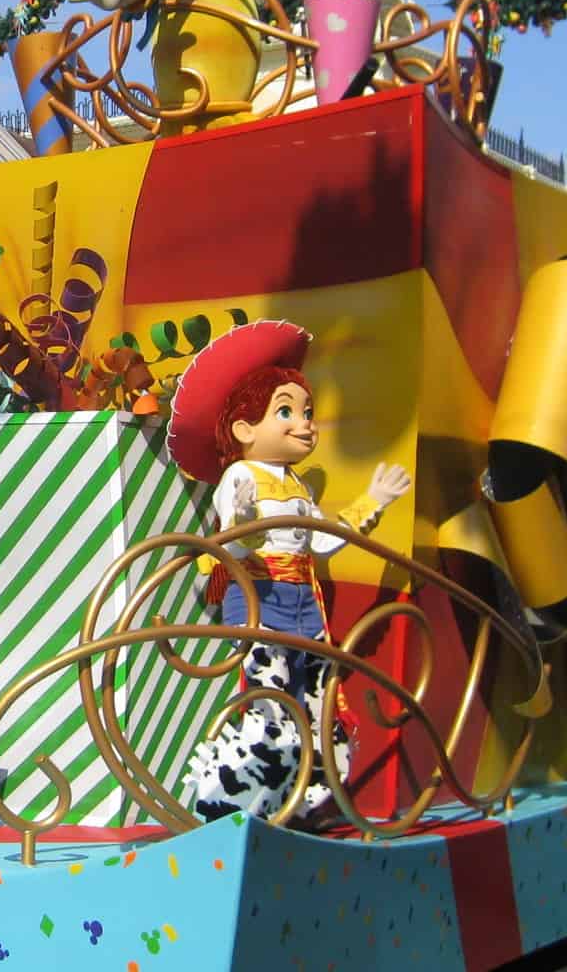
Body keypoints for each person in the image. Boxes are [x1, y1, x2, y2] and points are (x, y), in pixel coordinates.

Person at [168, 321, 409, 825]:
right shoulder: (242, 475)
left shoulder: (298, 487)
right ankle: (233, 797)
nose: (304, 424)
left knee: (315, 694)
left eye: (306, 412)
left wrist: (375, 501)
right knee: (272, 701)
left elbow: (322, 539)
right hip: (261, 596)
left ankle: (305, 794)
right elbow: (240, 532)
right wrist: (247, 521)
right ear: (244, 429)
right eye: (286, 411)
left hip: (303, 602)